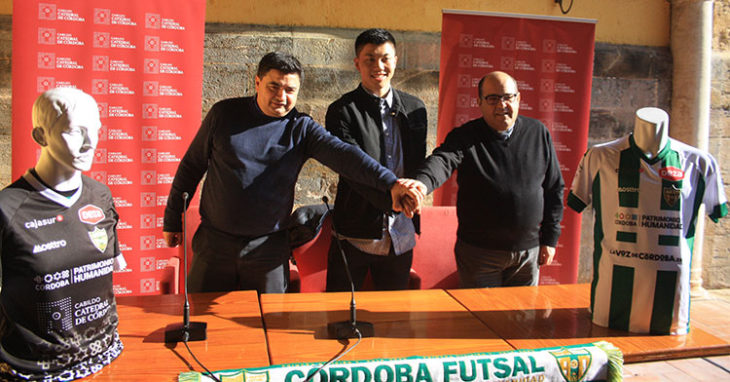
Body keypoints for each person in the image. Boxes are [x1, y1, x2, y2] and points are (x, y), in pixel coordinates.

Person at [163, 52, 422, 294]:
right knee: (200, 327)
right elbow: (191, 166)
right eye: (273, 86)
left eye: (290, 90)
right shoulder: (224, 114)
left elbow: (346, 157)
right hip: (214, 243)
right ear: (257, 82)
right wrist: (173, 218)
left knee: (270, 327)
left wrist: (391, 183)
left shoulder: (302, 129)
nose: (281, 96)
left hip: (268, 249)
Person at [0, 88, 125, 381]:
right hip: (35, 372)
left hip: (108, 355)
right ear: (40, 136)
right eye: (74, 131)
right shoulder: (8, 210)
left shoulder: (101, 196)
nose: (89, 143)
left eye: (95, 130)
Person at [567, 107, 727, 335]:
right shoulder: (599, 156)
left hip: (671, 305)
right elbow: (576, 201)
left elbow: (717, 210)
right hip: (610, 300)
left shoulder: (700, 163)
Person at [409, 71, 564, 288]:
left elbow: (554, 188)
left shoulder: (538, 133)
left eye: (508, 97)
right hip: (479, 255)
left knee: (523, 319)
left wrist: (550, 238)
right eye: (492, 99)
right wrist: (422, 183)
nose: (501, 105)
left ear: (518, 99)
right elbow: (442, 160)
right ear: (480, 103)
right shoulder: (465, 136)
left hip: (527, 254)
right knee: (479, 319)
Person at [324, 29, 427, 292]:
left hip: (401, 236)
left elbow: (417, 164)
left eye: (385, 58)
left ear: (396, 60)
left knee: (391, 318)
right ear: (357, 62)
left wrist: (414, 192)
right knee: (341, 315)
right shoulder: (342, 111)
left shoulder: (415, 108)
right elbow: (352, 167)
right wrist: (394, 197)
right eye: (369, 59)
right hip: (355, 234)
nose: (378, 66)